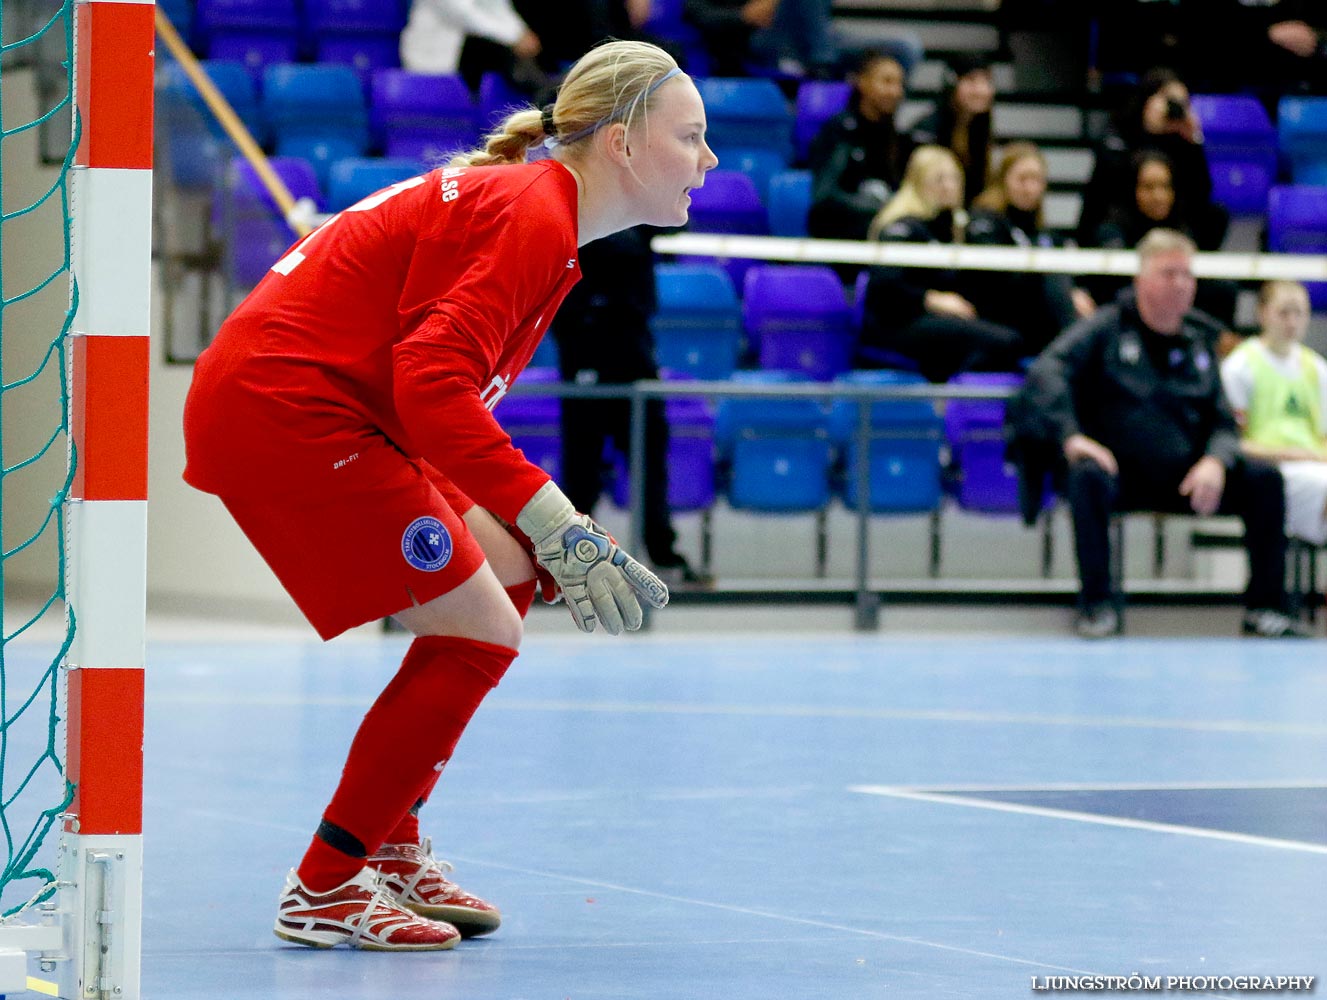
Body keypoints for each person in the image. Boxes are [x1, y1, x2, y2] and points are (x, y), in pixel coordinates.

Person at [182, 40, 714, 951]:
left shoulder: (541, 210)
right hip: (289, 408)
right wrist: (560, 519)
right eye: (691, 136)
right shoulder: (534, 217)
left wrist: (535, 531)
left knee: (502, 564)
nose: (709, 161)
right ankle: (325, 885)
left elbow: (431, 390)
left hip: (326, 402)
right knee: (483, 625)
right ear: (622, 145)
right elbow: (431, 384)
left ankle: (388, 845)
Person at [1018, 229, 1308, 639]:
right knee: (1085, 477)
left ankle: (1265, 608)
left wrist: (1215, 461)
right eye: (1168, 273)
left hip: (1188, 478)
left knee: (1264, 479)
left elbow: (1224, 422)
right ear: (1141, 279)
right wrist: (1071, 436)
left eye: (1187, 275)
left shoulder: (1199, 341)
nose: (1180, 284)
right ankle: (1097, 606)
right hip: (1121, 473)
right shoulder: (1104, 330)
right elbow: (1046, 373)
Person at [552, 224, 711, 586]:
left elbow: (676, 220)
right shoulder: (573, 220)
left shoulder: (635, 217)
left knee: (649, 463)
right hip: (583, 353)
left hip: (633, 355)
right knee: (581, 470)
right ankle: (567, 562)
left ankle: (662, 553)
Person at [859, 145, 1025, 382]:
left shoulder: (953, 228)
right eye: (939, 179)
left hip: (939, 321)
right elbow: (883, 288)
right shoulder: (901, 226)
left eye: (955, 178)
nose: (949, 186)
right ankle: (951, 399)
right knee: (1003, 343)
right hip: (898, 322)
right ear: (918, 183)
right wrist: (931, 299)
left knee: (1011, 336)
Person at [1221, 281, 1327, 548]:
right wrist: (1295, 454)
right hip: (1269, 469)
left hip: (1314, 465)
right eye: (1284, 312)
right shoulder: (1240, 366)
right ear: (1263, 313)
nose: (1292, 322)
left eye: (1300, 313)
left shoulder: (1317, 368)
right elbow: (1233, 442)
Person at [1077, 68, 1227, 254]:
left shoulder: (1184, 142)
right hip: (1122, 219)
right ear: (1147, 98)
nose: (1174, 107)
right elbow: (1111, 185)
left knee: (1215, 215)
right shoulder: (1119, 130)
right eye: (1168, 100)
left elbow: (1201, 193)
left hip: (1169, 219)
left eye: (1181, 102)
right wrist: (1149, 132)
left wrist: (1194, 142)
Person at [965, 142, 1095, 356]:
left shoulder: (1044, 232)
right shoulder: (985, 221)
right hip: (997, 313)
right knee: (1051, 269)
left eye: (1037, 180)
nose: (1030, 188)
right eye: (1022, 179)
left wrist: (1076, 291)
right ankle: (1077, 352)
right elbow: (993, 281)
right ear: (1003, 180)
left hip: (1037, 317)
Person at [1087, 150, 1239, 331]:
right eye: (1149, 187)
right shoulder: (1112, 230)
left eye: (1165, 186)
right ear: (1133, 189)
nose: (1158, 196)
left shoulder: (1184, 230)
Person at [806, 49, 916, 242]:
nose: (895, 91)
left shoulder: (899, 138)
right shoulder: (839, 131)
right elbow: (823, 194)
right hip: (838, 230)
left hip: (883, 225)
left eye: (900, 84)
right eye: (887, 82)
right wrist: (876, 208)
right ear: (862, 82)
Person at [399, 0, 547, 94]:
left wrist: (521, 33)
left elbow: (498, 8)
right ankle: (540, 86)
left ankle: (543, 85)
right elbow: (463, 15)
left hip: (473, 51)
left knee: (525, 47)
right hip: (436, 56)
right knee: (495, 47)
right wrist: (514, 37)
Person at [908, 53, 995, 207]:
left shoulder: (979, 127)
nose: (981, 90)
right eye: (971, 81)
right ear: (952, 84)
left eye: (986, 81)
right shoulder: (929, 129)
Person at [683, 0, 837, 79]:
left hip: (794, 32)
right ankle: (822, 62)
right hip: (743, 39)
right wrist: (743, 16)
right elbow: (700, 15)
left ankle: (821, 60)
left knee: (856, 48)